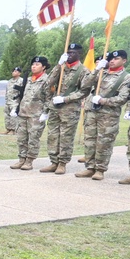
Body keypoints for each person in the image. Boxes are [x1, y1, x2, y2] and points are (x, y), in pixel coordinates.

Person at [76, 50, 130, 181]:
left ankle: (100, 169)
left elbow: (122, 98)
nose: (112, 61)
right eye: (110, 59)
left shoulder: (126, 77)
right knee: (90, 141)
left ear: (124, 61)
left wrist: (103, 100)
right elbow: (85, 84)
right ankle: (90, 167)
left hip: (108, 115)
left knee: (104, 143)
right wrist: (97, 69)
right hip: (92, 111)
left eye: (116, 59)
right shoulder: (102, 72)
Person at [40, 43, 89, 174]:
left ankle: (62, 163)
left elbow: (84, 91)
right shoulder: (61, 68)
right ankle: (53, 162)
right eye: (68, 52)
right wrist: (58, 65)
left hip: (70, 109)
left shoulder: (83, 71)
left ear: (79, 54)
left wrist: (65, 99)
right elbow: (48, 83)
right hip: (55, 108)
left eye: (73, 52)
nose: (69, 55)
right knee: (53, 135)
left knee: (66, 137)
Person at [9, 56, 51, 171]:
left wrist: (45, 113)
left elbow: (48, 98)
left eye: (37, 64)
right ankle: (21, 159)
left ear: (44, 67)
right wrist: (14, 108)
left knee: (33, 139)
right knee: (21, 138)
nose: (34, 66)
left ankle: (29, 161)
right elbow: (18, 95)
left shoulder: (47, 80)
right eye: (33, 64)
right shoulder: (26, 79)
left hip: (36, 115)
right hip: (22, 113)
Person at [2, 67, 23, 135]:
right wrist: (6, 99)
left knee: (13, 116)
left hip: (15, 101)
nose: (14, 72)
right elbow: (7, 91)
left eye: (16, 71)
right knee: (7, 115)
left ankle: (13, 130)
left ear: (19, 73)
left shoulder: (21, 81)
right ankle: (8, 128)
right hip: (8, 101)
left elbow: (22, 91)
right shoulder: (10, 81)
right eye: (13, 71)